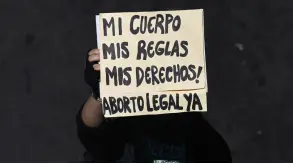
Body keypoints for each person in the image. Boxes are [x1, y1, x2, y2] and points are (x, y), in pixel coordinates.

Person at [76, 48, 232, 162]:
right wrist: (100, 94)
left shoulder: (206, 146)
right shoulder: (132, 129)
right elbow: (93, 134)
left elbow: (92, 133)